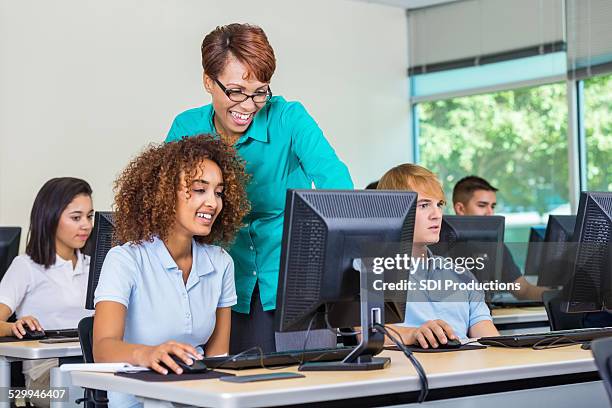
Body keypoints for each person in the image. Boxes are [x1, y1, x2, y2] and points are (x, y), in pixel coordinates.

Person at [166, 23, 353, 353]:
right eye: (236, 91)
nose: (249, 106)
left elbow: (336, 185)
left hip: (295, 282)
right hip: (217, 284)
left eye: (260, 92)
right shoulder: (187, 127)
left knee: (310, 390)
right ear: (209, 81)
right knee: (234, 390)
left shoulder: (289, 118)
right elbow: (169, 205)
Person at [92, 135, 249, 408]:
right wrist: (148, 354)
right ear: (164, 194)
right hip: (137, 400)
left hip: (196, 397)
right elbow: (103, 348)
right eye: (200, 190)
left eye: (219, 192)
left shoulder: (221, 263)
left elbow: (217, 356)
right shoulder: (125, 259)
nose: (213, 203)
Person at [377, 164, 499, 348]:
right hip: (410, 373)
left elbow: (489, 339)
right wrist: (413, 334)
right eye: (424, 205)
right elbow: (367, 333)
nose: (437, 215)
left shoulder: (461, 274)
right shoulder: (370, 271)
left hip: (464, 372)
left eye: (439, 205)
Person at [0, 177, 95, 407]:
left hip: (91, 365)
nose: (86, 225)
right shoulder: (27, 266)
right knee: (87, 394)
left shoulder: (96, 266)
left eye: (90, 216)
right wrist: (14, 327)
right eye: (76, 217)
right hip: (45, 378)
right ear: (51, 218)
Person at [452, 176, 548, 301]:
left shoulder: (495, 247)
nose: (490, 212)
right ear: (460, 209)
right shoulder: (437, 245)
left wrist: (561, 295)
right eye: (482, 205)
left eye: (492, 206)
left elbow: (523, 290)